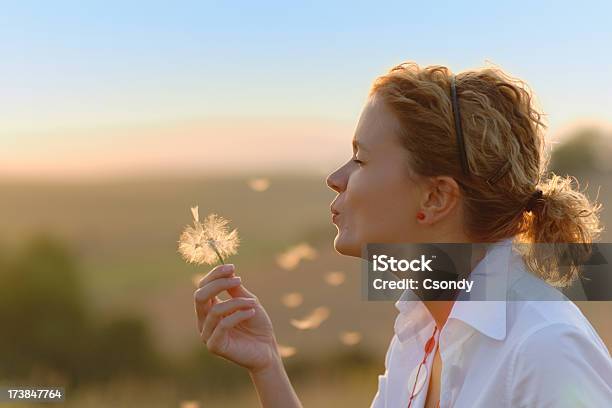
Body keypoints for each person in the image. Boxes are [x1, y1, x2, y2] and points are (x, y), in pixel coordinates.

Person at [193, 62, 612, 407]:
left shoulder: (545, 349)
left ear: (435, 197)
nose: (336, 178)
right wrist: (267, 365)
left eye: (360, 158)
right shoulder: (422, 332)